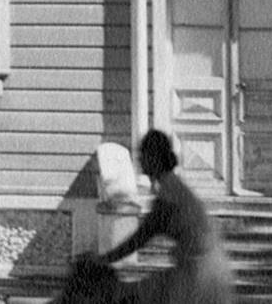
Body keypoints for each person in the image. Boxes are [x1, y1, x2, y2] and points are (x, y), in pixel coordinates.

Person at [97, 130, 235, 304]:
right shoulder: (171, 186)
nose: (139, 160)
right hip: (206, 269)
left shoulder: (168, 195)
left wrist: (102, 259)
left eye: (143, 155)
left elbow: (141, 237)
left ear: (154, 158)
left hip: (199, 275)